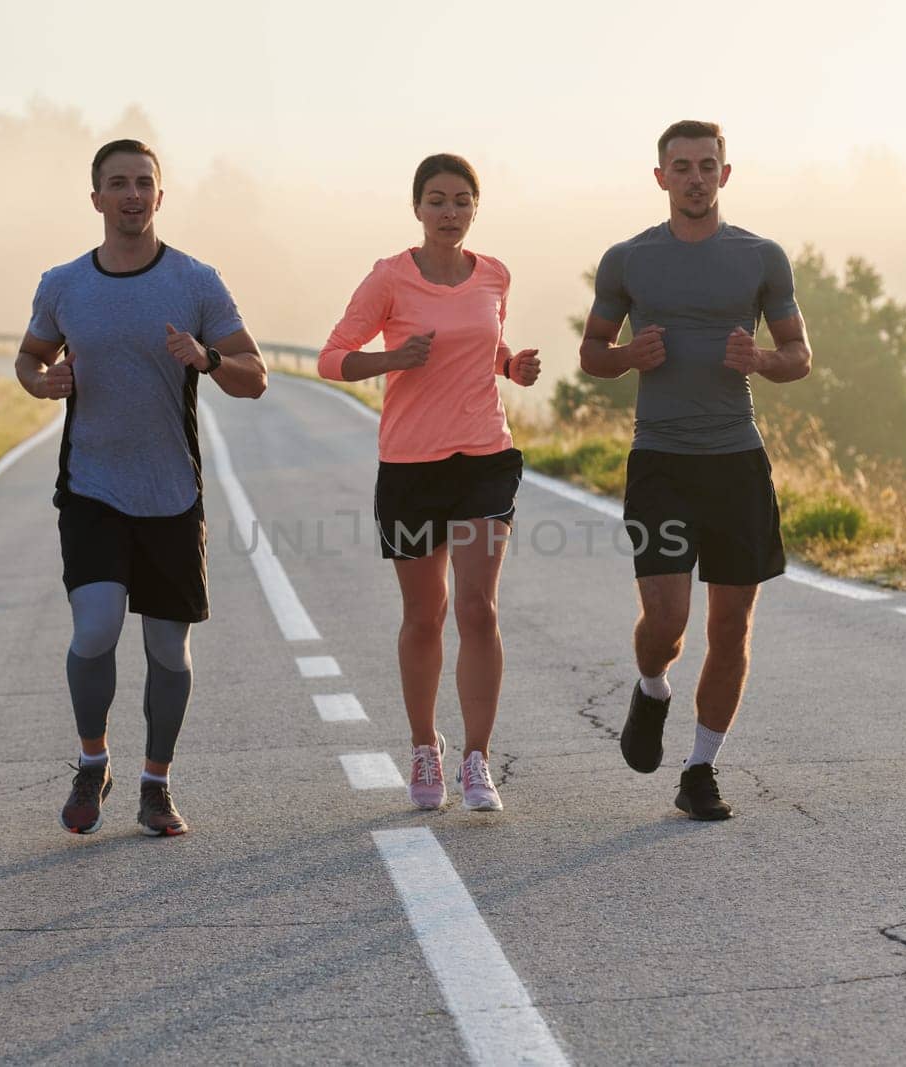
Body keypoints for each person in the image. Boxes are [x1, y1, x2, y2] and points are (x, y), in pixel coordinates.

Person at [15, 139, 267, 836]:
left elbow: (255, 374)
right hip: (92, 486)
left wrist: (208, 356)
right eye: (117, 183)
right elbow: (29, 355)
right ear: (95, 197)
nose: (131, 194)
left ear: (161, 196)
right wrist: (41, 381)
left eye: (143, 183)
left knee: (167, 651)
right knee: (93, 630)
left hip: (170, 494)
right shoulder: (64, 283)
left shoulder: (195, 282)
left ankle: (156, 784)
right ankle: (93, 760)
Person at [579, 120, 812, 821]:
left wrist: (764, 361)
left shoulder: (761, 257)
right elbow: (592, 350)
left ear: (725, 174)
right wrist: (626, 357)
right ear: (660, 178)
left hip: (737, 461)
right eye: (681, 167)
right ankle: (651, 685)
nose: (695, 178)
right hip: (661, 461)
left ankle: (700, 768)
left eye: (707, 166)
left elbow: (798, 353)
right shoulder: (627, 260)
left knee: (732, 626)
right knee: (668, 617)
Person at [319, 153, 541, 812]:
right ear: (417, 208)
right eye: (437, 201)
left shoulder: (495, 274)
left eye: (461, 201)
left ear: (476, 207)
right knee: (425, 616)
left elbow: (483, 346)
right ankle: (425, 746)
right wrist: (392, 358)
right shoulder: (389, 278)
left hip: (484, 459)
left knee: (479, 610)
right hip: (412, 467)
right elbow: (333, 357)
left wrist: (511, 365)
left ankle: (478, 758)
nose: (450, 213)